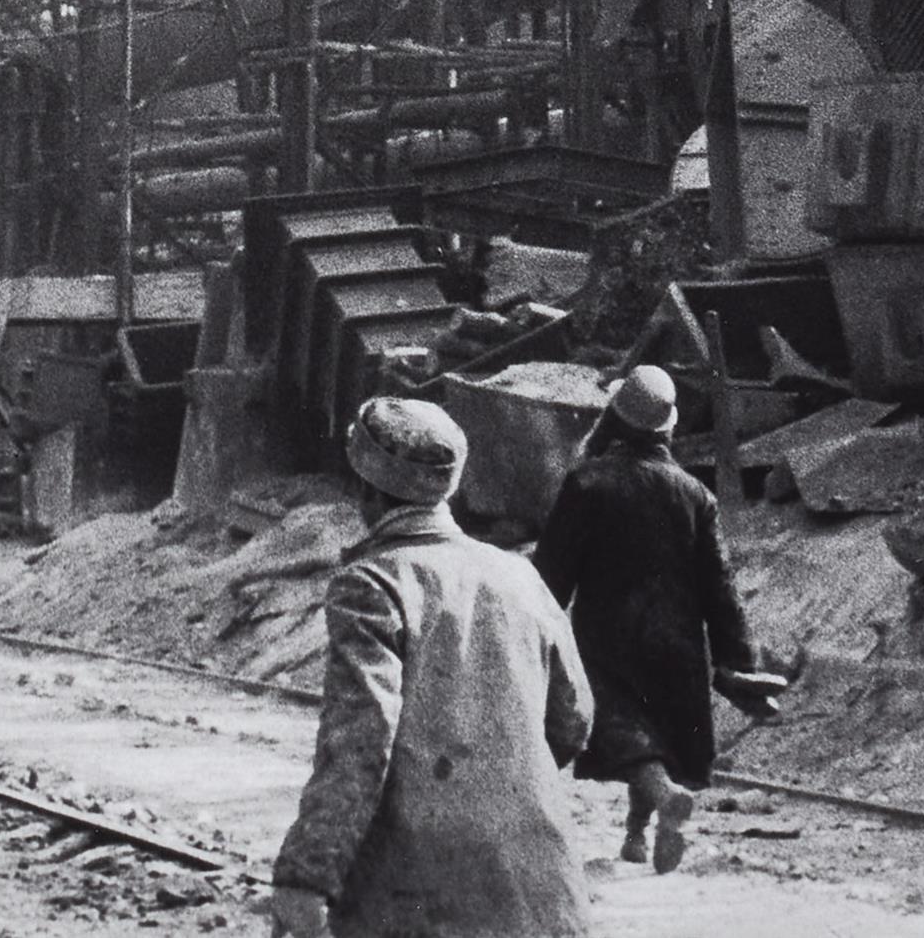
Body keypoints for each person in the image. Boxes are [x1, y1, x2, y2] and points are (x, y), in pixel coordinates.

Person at [268, 397, 594, 938]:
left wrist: (306, 877)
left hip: (418, 899)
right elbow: (574, 718)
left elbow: (360, 744)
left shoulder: (371, 584)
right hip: (541, 887)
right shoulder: (520, 576)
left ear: (366, 489)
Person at [532, 365, 781, 873]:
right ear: (668, 427)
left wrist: (534, 629)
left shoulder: (587, 483)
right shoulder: (695, 494)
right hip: (679, 645)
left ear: (615, 420)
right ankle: (637, 835)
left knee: (627, 734)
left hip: (609, 640)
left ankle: (665, 798)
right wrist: (737, 660)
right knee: (660, 738)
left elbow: (550, 576)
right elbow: (721, 589)